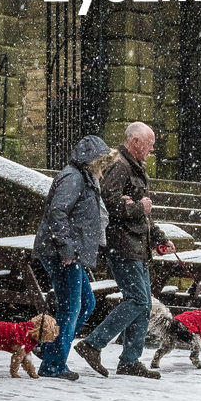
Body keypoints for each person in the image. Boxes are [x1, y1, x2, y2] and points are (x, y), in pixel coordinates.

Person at [75, 120, 174, 379]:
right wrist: (137, 207)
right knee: (139, 300)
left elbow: (143, 213)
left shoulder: (134, 166)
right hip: (123, 245)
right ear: (135, 141)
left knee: (142, 304)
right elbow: (107, 206)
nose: (152, 150)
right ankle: (92, 344)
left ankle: (130, 360)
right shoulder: (119, 165)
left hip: (138, 245)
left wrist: (159, 237)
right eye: (150, 144)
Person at [33, 134, 112, 381]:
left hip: (71, 253)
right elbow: (57, 212)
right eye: (102, 160)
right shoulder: (73, 177)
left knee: (86, 304)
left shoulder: (84, 178)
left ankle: (48, 349)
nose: (104, 166)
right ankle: (53, 364)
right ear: (91, 159)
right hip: (63, 254)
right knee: (71, 307)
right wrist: (66, 250)